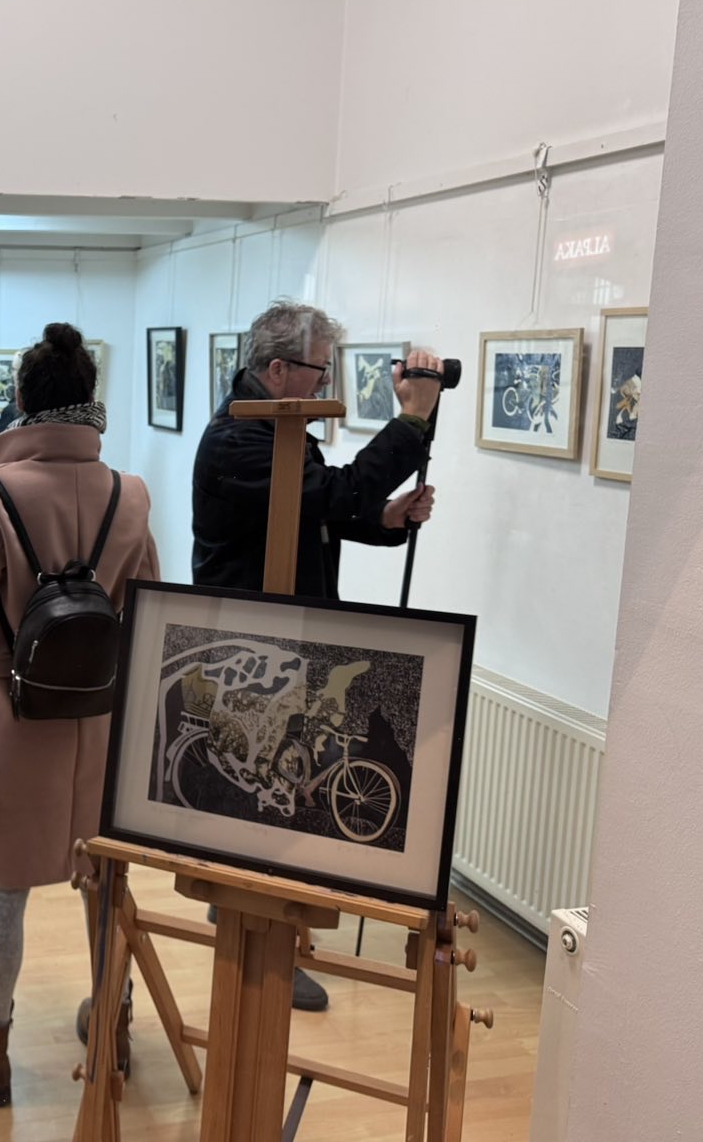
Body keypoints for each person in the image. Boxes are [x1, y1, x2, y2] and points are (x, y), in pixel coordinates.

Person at [0, 322, 160, 1109]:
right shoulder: (131, 494)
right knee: (104, 880)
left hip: (6, 718)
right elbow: (148, 610)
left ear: (22, 399)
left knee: (4, 888)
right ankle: (114, 1026)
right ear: (90, 399)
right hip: (99, 719)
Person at [190, 298, 440, 1011]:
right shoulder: (238, 441)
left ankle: (263, 930)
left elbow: (320, 509)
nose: (329, 385)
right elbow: (337, 491)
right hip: (252, 649)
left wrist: (385, 520)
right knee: (266, 789)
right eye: (320, 371)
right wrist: (412, 420)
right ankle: (259, 943)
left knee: (285, 784)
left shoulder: (281, 431)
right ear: (278, 370)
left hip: (289, 637)